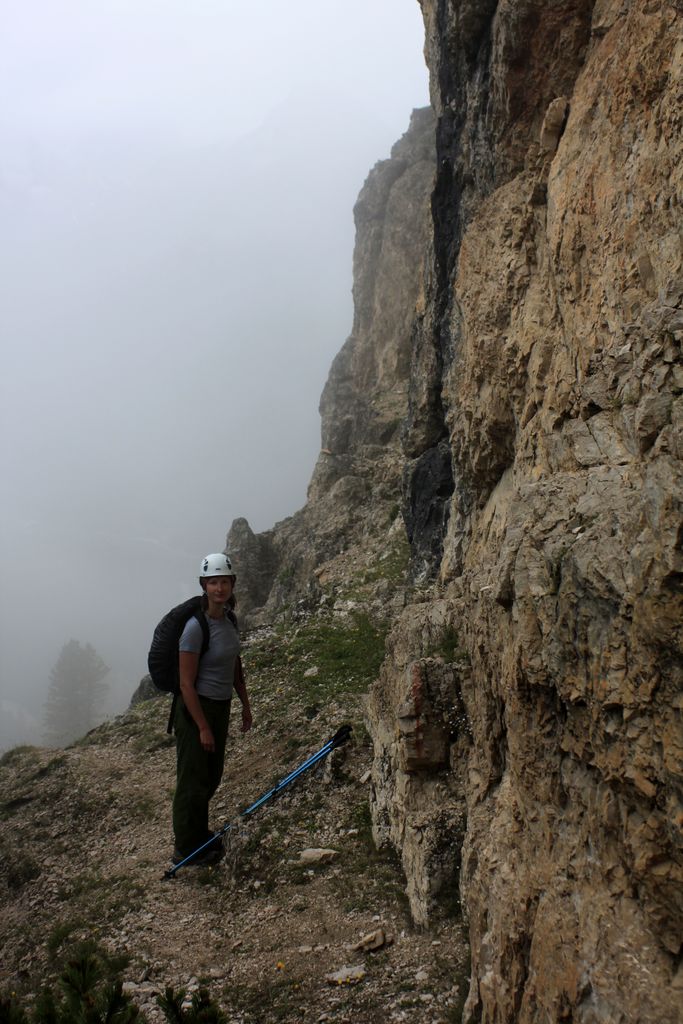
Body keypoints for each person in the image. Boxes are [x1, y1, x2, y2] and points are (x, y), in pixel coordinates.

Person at [172, 552, 253, 866]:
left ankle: (198, 834)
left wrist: (245, 705)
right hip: (196, 710)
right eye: (213, 582)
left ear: (232, 584)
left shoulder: (230, 620)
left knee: (211, 775)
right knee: (192, 779)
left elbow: (235, 665)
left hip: (221, 706)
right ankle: (185, 848)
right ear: (204, 585)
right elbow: (186, 684)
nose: (219, 588)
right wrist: (202, 726)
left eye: (224, 581)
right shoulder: (195, 628)